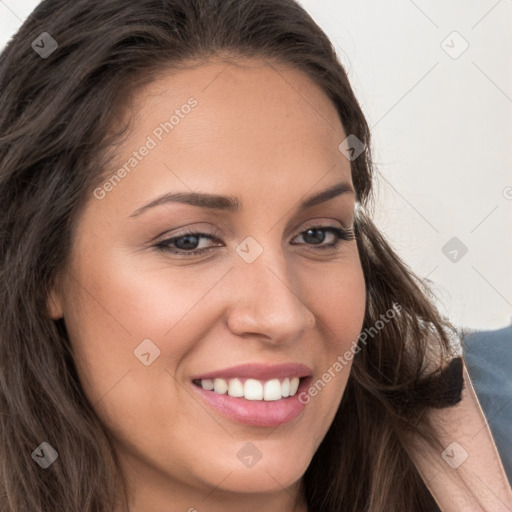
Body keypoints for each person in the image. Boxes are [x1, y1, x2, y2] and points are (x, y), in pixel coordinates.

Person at [0, 0, 510, 511]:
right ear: (44, 266)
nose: (280, 315)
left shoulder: (496, 423)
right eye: (189, 241)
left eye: (317, 235)